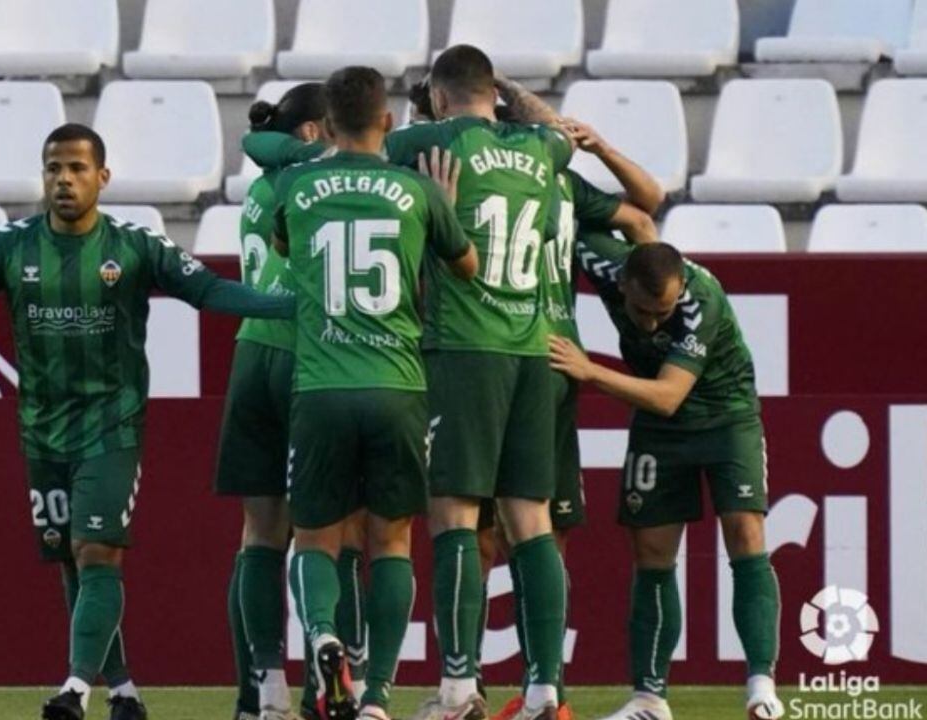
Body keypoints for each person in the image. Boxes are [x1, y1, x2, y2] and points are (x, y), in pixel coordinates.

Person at [0, 123, 295, 720]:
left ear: (103, 177)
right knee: (73, 560)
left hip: (111, 426)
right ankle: (122, 690)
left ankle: (74, 689)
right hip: (42, 431)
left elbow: (210, 292)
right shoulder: (9, 247)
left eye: (76, 168)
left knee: (97, 550)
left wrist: (293, 306)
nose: (64, 180)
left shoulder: (134, 246)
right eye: (54, 169)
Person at [275, 65, 477, 720]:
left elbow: (284, 245)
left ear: (328, 124)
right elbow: (466, 265)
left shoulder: (298, 186)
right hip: (397, 386)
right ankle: (377, 698)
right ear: (388, 121)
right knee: (391, 542)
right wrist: (438, 211)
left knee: (315, 539)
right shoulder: (415, 190)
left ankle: (324, 638)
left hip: (322, 386)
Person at [480, 81, 664, 720]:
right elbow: (643, 216)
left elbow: (644, 213)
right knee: (539, 532)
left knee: (484, 529)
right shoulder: (557, 179)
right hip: (555, 354)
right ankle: (543, 689)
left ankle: (486, 687)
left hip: (499, 351)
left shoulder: (491, 175)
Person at [549, 234, 784, 720]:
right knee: (652, 554)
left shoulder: (701, 300)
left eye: (663, 312)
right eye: (642, 311)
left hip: (726, 416)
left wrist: (590, 371)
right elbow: (615, 213)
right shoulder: (605, 261)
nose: (653, 322)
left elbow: (667, 395)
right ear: (623, 283)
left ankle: (762, 687)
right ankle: (649, 699)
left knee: (745, 534)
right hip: (661, 431)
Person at [216, 83, 371, 720]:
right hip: (312, 355)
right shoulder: (318, 175)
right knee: (337, 533)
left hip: (252, 353)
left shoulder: (263, 185)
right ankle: (330, 686)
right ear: (313, 131)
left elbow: (258, 144)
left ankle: (260, 689)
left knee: (258, 532)